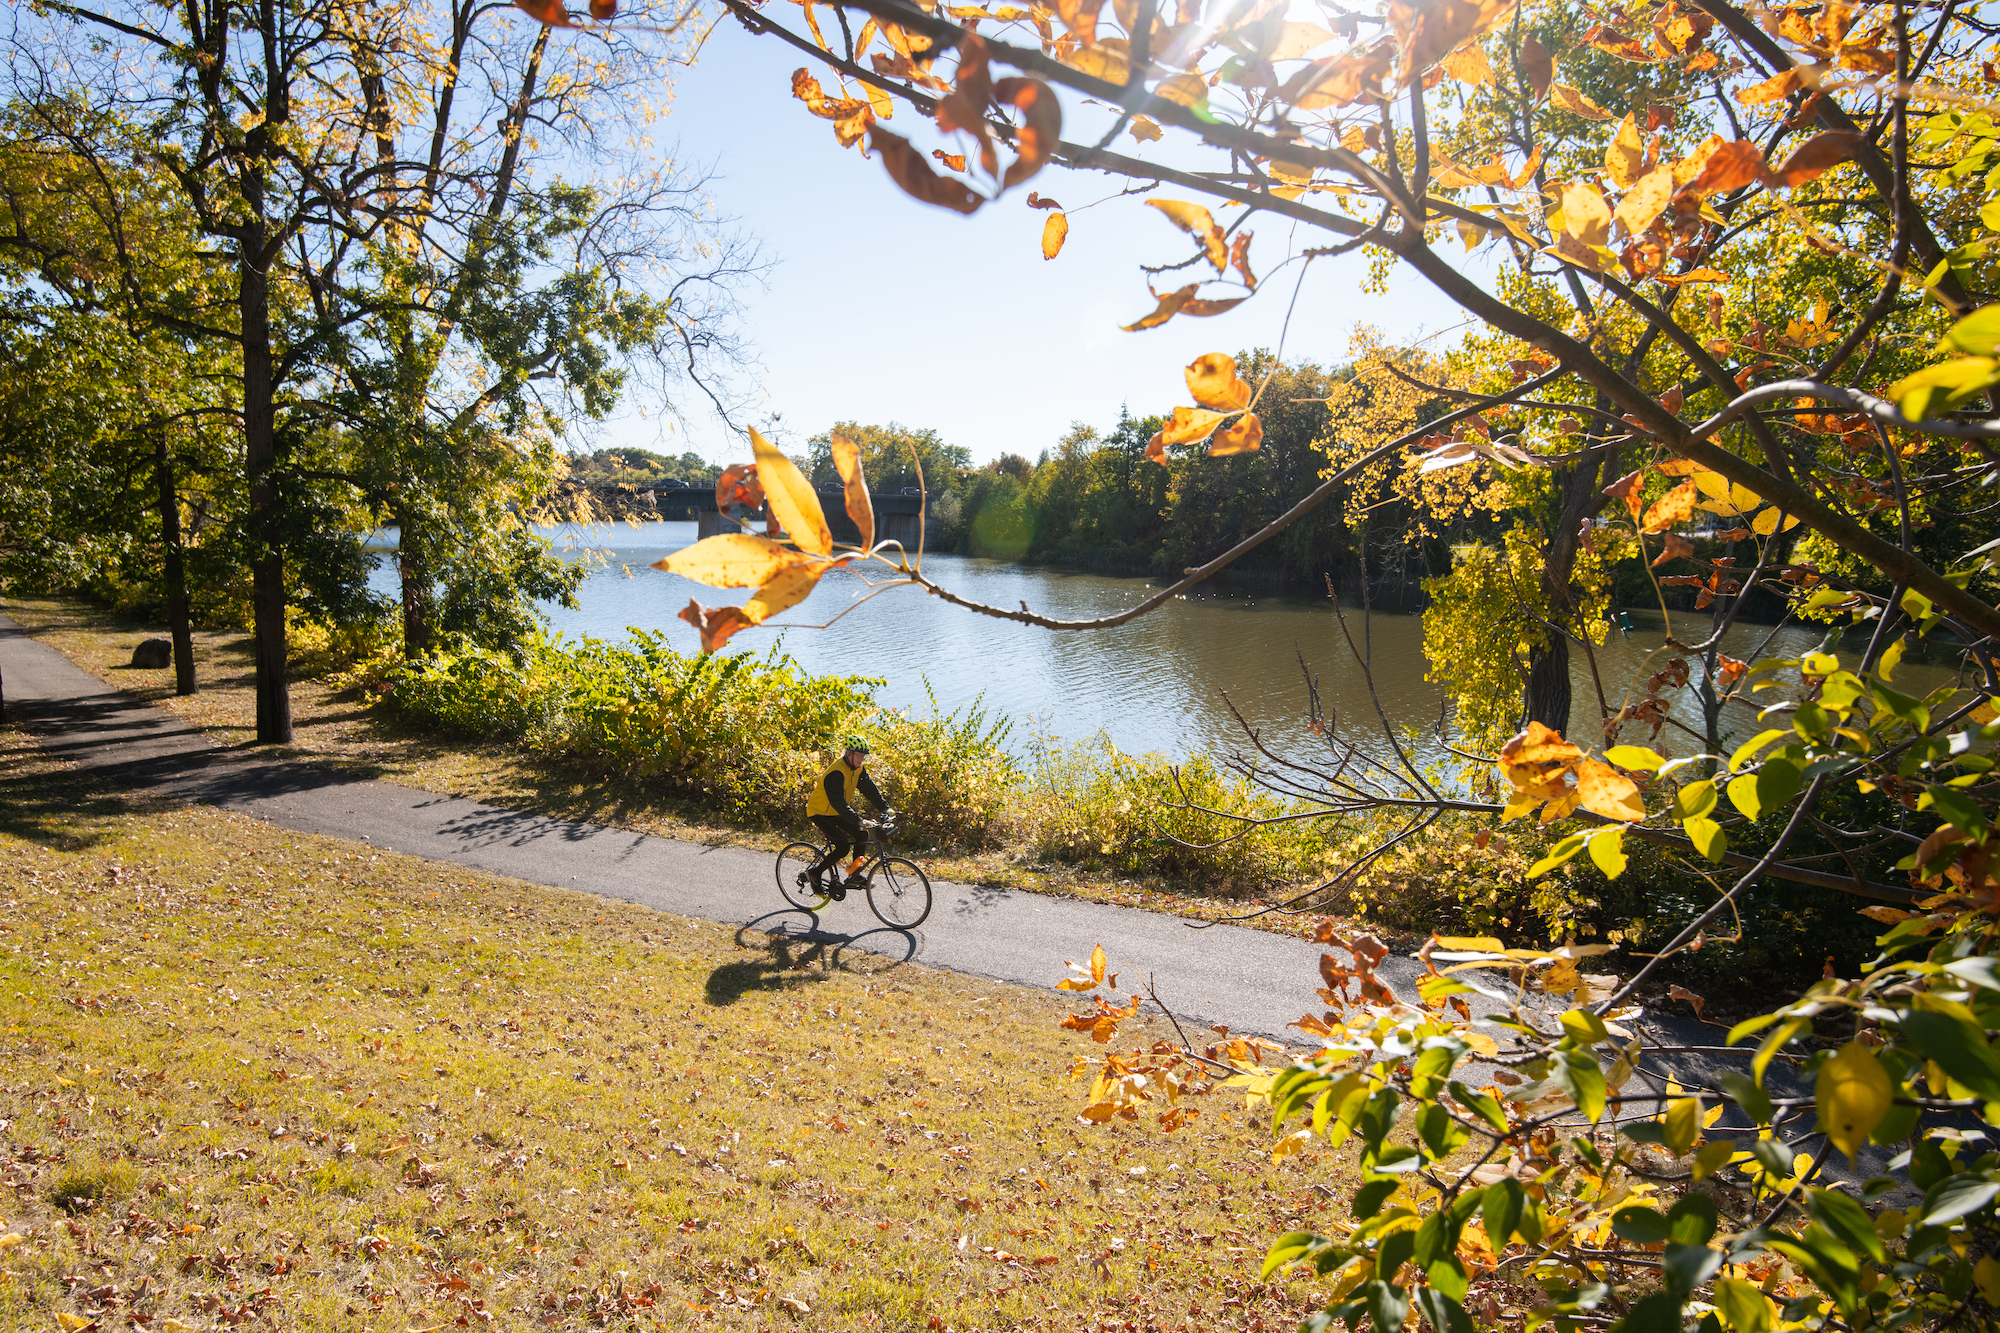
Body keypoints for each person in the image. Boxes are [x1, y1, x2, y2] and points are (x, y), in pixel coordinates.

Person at [805, 736, 892, 899]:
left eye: (864, 756)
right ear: (849, 754)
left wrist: (887, 809)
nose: (862, 759)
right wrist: (858, 820)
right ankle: (815, 873)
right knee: (843, 847)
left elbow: (870, 791)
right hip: (819, 812)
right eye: (859, 755)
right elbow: (838, 803)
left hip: (836, 812)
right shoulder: (836, 772)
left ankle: (853, 875)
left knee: (862, 834)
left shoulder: (857, 768)